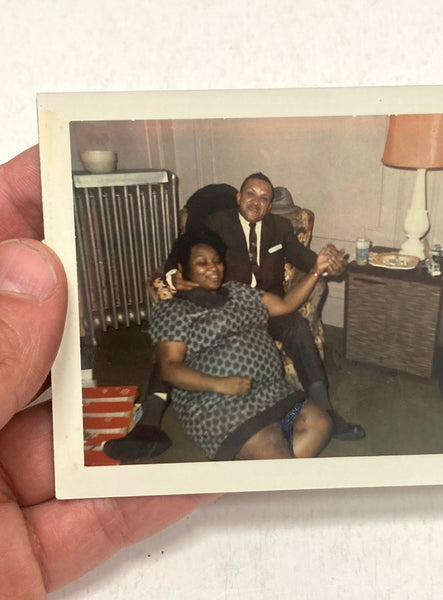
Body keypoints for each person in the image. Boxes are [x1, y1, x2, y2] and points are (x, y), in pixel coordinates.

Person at [0, 146, 215, 597]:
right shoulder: (197, 240)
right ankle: (150, 427)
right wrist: (182, 287)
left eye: (259, 197)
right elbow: (172, 277)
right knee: (166, 356)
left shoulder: (263, 235)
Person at [106, 174, 365, 462]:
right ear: (239, 197)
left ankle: (325, 407)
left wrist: (331, 266)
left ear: (269, 206)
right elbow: (184, 251)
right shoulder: (217, 224)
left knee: (298, 326)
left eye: (264, 198)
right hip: (227, 307)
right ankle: (150, 423)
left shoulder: (280, 227)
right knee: (181, 331)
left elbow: (307, 260)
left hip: (267, 304)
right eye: (250, 194)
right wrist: (173, 277)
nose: (256, 202)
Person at [150, 228, 334, 460]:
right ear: (183, 270)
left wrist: (316, 271)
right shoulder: (174, 309)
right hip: (216, 400)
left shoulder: (238, 292)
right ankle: (266, 467)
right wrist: (219, 384)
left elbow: (286, 304)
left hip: (269, 390)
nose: (213, 267)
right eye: (201, 263)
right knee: (272, 447)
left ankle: (256, 467)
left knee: (320, 424)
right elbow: (169, 368)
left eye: (217, 261)